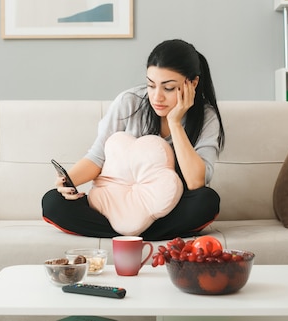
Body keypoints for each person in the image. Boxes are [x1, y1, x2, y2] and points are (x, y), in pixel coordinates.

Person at [42, 39, 225, 241]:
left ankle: (126, 233)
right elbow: (96, 157)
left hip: (166, 209)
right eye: (151, 85)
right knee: (52, 202)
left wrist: (175, 122)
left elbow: (196, 182)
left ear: (193, 83)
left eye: (169, 88)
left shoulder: (206, 117)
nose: (157, 97)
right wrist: (67, 182)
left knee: (206, 201)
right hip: (116, 205)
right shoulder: (129, 102)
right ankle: (135, 232)